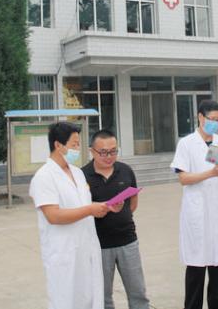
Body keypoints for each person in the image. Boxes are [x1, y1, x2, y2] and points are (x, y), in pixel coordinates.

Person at [29, 122, 109, 309]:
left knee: (90, 299)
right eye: (74, 144)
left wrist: (103, 208)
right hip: (64, 253)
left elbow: (83, 205)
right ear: (58, 145)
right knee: (66, 301)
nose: (78, 149)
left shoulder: (77, 173)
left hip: (86, 248)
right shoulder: (44, 177)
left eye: (78, 144)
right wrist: (90, 210)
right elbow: (53, 216)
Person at [169, 99, 218, 309]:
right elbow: (183, 178)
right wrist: (211, 173)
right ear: (200, 117)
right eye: (211, 119)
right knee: (196, 271)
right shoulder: (187, 143)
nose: (215, 123)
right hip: (197, 214)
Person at [82, 129, 150, 309]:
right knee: (103, 297)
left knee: (138, 293)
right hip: (99, 245)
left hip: (128, 240)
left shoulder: (125, 170)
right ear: (92, 151)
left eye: (113, 151)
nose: (109, 156)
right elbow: (81, 210)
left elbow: (133, 202)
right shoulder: (82, 176)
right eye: (103, 152)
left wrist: (121, 212)